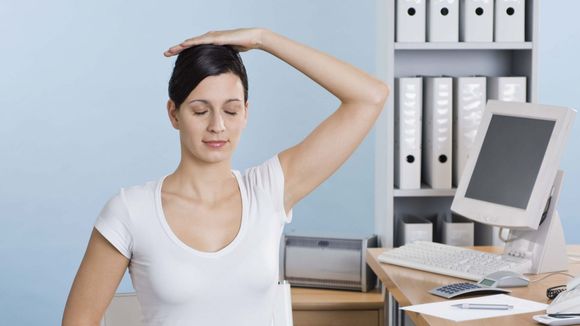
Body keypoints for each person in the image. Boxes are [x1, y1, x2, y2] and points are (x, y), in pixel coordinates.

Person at [62, 28, 389, 326]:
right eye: (201, 111)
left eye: (231, 110)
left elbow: (370, 96)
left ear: (246, 112)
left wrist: (263, 38)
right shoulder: (130, 211)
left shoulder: (269, 190)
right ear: (174, 114)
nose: (217, 125)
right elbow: (78, 321)